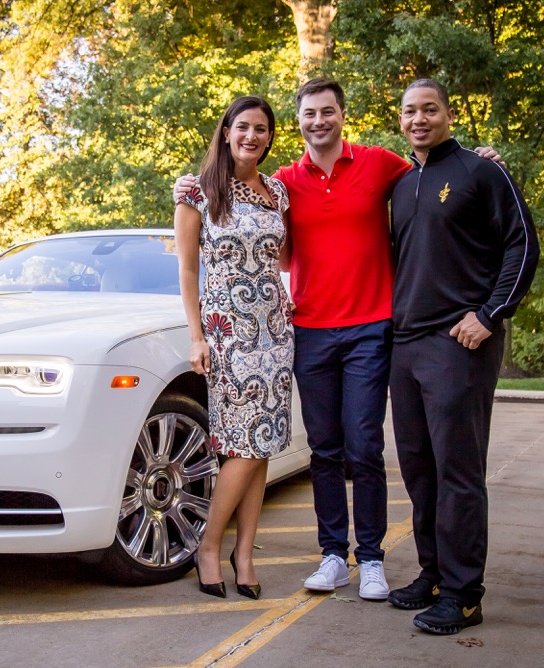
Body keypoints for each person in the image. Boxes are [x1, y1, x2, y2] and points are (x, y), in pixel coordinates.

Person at [175, 79, 503, 602]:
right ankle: (332, 555)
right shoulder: (281, 183)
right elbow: (246, 249)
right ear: (299, 121)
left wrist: (479, 159)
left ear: (342, 116)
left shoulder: (378, 164)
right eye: (309, 113)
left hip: (371, 328)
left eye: (328, 112)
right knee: (323, 450)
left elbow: (435, 168)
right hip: (305, 330)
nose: (319, 121)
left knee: (364, 447)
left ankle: (370, 558)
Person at [387, 78, 539, 634]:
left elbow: (522, 243)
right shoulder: (403, 186)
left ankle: (464, 594)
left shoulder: (481, 170)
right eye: (410, 111)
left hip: (459, 343)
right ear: (400, 119)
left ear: (448, 115)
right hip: (405, 347)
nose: (419, 118)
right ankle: (432, 573)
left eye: (430, 109)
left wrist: (490, 313)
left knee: (458, 472)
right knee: (418, 471)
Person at [175, 95, 293, 600]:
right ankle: (208, 546)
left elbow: (283, 263)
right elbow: (186, 270)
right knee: (242, 447)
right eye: (242, 126)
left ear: (270, 137)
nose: (251, 136)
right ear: (225, 132)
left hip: (276, 331)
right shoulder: (197, 192)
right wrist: (197, 336)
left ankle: (244, 555)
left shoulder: (278, 193)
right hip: (229, 332)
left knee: (261, 445)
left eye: (261, 129)